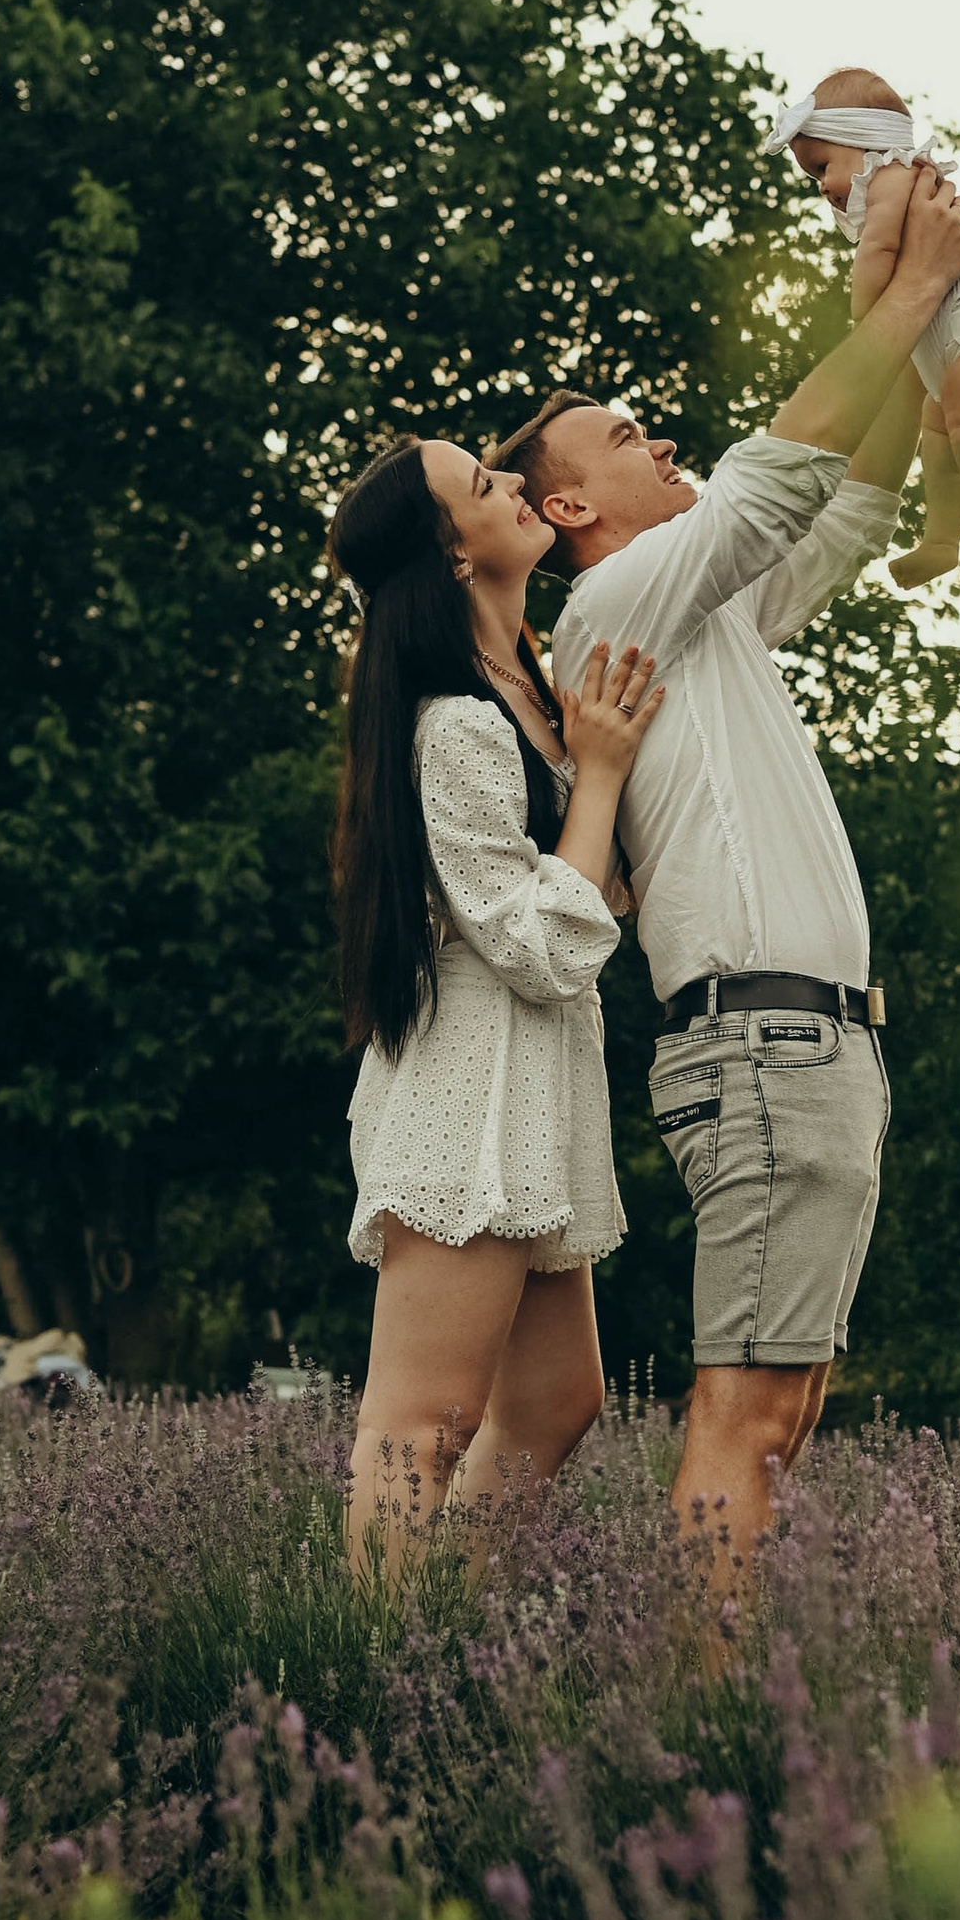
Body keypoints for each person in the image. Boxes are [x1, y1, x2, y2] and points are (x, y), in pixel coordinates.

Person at [496, 159, 960, 1573]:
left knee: (784, 1404)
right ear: (572, 511)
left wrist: (896, 320)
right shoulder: (614, 608)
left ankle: (722, 1709)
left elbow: (847, 500)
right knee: (748, 1413)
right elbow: (774, 482)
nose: (661, 443)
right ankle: (709, 1732)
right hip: (764, 1043)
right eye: (626, 438)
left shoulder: (706, 618)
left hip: (808, 1047)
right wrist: (905, 293)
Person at [327, 434, 666, 1579]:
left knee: (559, 1400)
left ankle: (443, 1636)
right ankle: (368, 1672)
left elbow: (591, 896)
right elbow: (534, 938)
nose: (516, 485)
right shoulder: (456, 722)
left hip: (536, 1089)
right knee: (424, 1419)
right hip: (469, 1093)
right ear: (451, 552)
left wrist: (593, 773)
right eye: (485, 485)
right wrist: (604, 774)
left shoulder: (526, 693)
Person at [770, 67, 960, 587]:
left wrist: (867, 321)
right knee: (942, 447)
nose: (822, 186)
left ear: (865, 142)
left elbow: (880, 250)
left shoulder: (893, 176)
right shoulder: (901, 183)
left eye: (823, 166)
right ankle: (940, 540)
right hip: (953, 357)